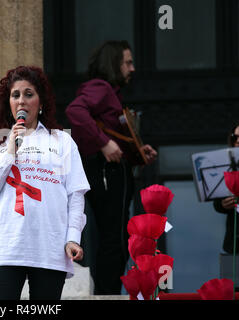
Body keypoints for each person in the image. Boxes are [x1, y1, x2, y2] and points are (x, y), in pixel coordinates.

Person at [0, 65, 90, 300]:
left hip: (50, 247)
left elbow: (75, 195)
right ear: (9, 103)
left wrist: (72, 238)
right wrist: (9, 152)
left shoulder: (62, 141)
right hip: (7, 247)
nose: (22, 101)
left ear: (41, 102)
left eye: (29, 94)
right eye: (16, 95)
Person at [65, 40, 157, 295]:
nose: (133, 68)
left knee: (112, 236)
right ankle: (108, 293)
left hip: (108, 169)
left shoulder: (109, 92)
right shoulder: (101, 87)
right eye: (127, 62)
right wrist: (104, 143)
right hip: (106, 172)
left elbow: (111, 133)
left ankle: (107, 291)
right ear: (113, 63)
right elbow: (75, 111)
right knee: (113, 238)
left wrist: (138, 152)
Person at [213, 120, 239, 255]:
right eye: (234, 137)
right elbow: (217, 201)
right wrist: (224, 204)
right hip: (235, 239)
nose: (238, 140)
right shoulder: (226, 164)